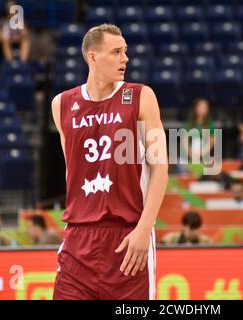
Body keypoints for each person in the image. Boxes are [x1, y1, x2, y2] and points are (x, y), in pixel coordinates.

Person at [51, 24, 168, 300]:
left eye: (125, 51)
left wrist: (144, 229)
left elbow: (160, 168)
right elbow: (73, 171)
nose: (125, 58)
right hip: (79, 239)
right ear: (93, 57)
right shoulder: (62, 104)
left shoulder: (140, 96)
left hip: (127, 235)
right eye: (116, 52)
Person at [179, 98, 215, 173]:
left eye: (205, 108)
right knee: (181, 163)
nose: (203, 110)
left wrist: (201, 153)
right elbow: (184, 141)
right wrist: (191, 154)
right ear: (196, 108)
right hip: (190, 156)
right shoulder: (189, 125)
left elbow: (211, 142)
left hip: (204, 156)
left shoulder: (210, 125)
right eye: (201, 107)